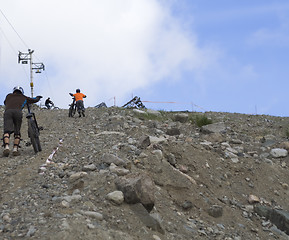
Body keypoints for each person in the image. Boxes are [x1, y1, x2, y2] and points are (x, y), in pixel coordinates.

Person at [2, 86, 42, 157]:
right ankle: (15, 149)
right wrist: (38, 98)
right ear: (21, 91)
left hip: (8, 112)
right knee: (17, 131)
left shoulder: (8, 96)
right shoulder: (23, 97)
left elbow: (5, 102)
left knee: (7, 131)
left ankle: (6, 147)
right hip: (18, 112)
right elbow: (33, 100)